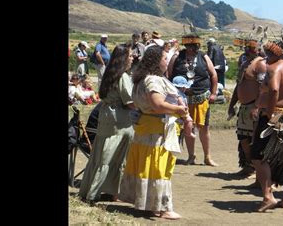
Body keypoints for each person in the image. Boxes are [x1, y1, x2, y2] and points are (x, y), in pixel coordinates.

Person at [119, 45, 188, 220]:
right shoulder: (153, 81)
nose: (167, 61)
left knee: (148, 167)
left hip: (146, 127)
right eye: (165, 59)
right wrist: (179, 109)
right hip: (155, 130)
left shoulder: (142, 79)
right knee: (158, 168)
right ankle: (163, 207)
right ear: (157, 62)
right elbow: (158, 105)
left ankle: (148, 205)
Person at [78, 44, 135, 202]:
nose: (132, 58)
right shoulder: (122, 76)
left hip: (106, 116)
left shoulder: (110, 75)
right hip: (120, 120)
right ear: (123, 58)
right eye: (130, 55)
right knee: (116, 156)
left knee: (103, 154)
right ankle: (112, 192)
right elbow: (130, 101)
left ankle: (94, 189)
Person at [251, 41, 283, 211]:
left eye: (268, 54)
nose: (266, 59)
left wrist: (270, 112)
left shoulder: (275, 69)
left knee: (259, 157)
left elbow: (274, 90)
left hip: (277, 119)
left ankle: (268, 196)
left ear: (276, 54)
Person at [168, 33, 219, 166]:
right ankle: (191, 156)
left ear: (197, 45)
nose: (190, 48)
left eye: (193, 45)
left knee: (204, 128)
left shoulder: (203, 56)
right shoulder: (177, 57)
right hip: (182, 100)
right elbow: (168, 75)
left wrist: (213, 93)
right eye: (188, 45)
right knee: (187, 128)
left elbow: (213, 75)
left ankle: (207, 157)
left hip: (201, 98)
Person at [227, 39, 266, 177]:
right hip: (244, 107)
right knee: (243, 138)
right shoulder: (244, 64)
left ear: (258, 49)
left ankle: (256, 168)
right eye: (247, 47)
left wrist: (257, 106)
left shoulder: (261, 64)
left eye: (252, 48)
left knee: (254, 140)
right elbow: (238, 86)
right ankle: (249, 166)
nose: (248, 50)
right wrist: (231, 105)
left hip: (254, 106)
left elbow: (263, 88)